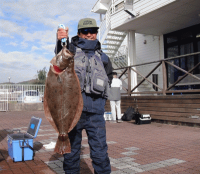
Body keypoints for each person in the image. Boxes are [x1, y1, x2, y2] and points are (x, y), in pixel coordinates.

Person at [56, 18, 113, 174]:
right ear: (79, 34)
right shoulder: (70, 51)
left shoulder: (104, 58)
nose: (89, 35)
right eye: (85, 32)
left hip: (96, 114)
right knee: (71, 153)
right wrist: (60, 41)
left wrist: (100, 102)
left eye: (93, 31)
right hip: (73, 112)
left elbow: (109, 79)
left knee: (100, 153)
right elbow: (59, 62)